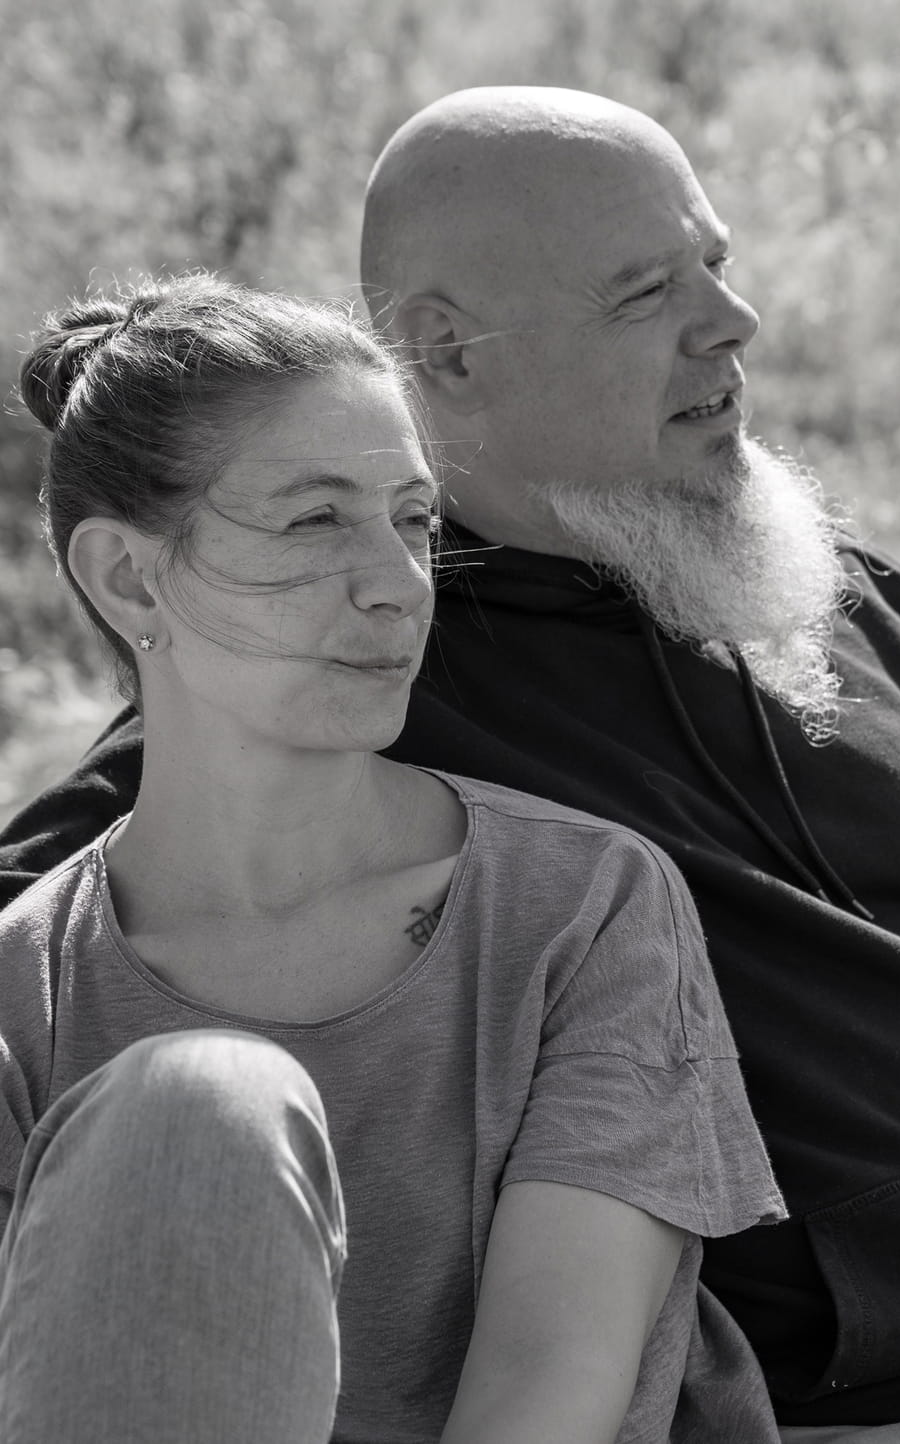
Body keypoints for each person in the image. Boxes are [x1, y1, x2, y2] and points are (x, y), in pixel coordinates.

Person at [5, 88, 900, 1442]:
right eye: (644, 294)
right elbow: (99, 900)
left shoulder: (851, 600)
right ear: (445, 353)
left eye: (716, 266)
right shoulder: (358, 673)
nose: (733, 323)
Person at [0, 272, 786, 1443]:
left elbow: (550, 1391)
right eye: (315, 520)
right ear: (127, 576)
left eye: (413, 520)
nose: (397, 585)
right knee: (195, 1110)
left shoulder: (581, 907)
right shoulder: (26, 991)